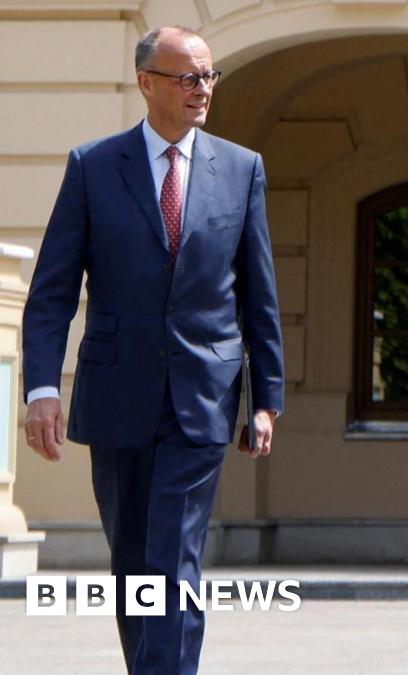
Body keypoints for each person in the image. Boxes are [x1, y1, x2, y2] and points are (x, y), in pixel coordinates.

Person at [22, 26, 283, 675]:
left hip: (202, 394)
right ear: (147, 83)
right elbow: (53, 289)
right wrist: (41, 388)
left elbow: (258, 293)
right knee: (134, 564)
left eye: (208, 76)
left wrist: (266, 399)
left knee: (174, 558)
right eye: (188, 77)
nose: (203, 89)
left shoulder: (242, 169)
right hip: (116, 393)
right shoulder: (92, 166)